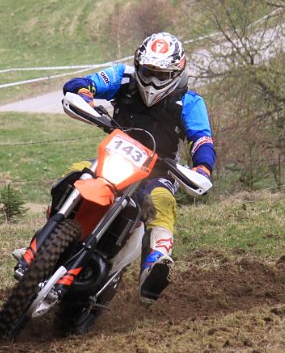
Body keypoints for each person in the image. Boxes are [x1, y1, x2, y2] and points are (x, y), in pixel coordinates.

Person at [48, 32, 216, 305]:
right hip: (114, 158)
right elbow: (83, 83)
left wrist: (203, 168)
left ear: (177, 72)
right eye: (148, 72)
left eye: (162, 75)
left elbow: (202, 140)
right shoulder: (122, 77)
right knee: (76, 174)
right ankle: (44, 242)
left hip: (159, 171)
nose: (153, 81)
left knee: (161, 201)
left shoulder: (190, 102)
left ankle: (155, 263)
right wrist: (85, 95)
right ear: (138, 65)